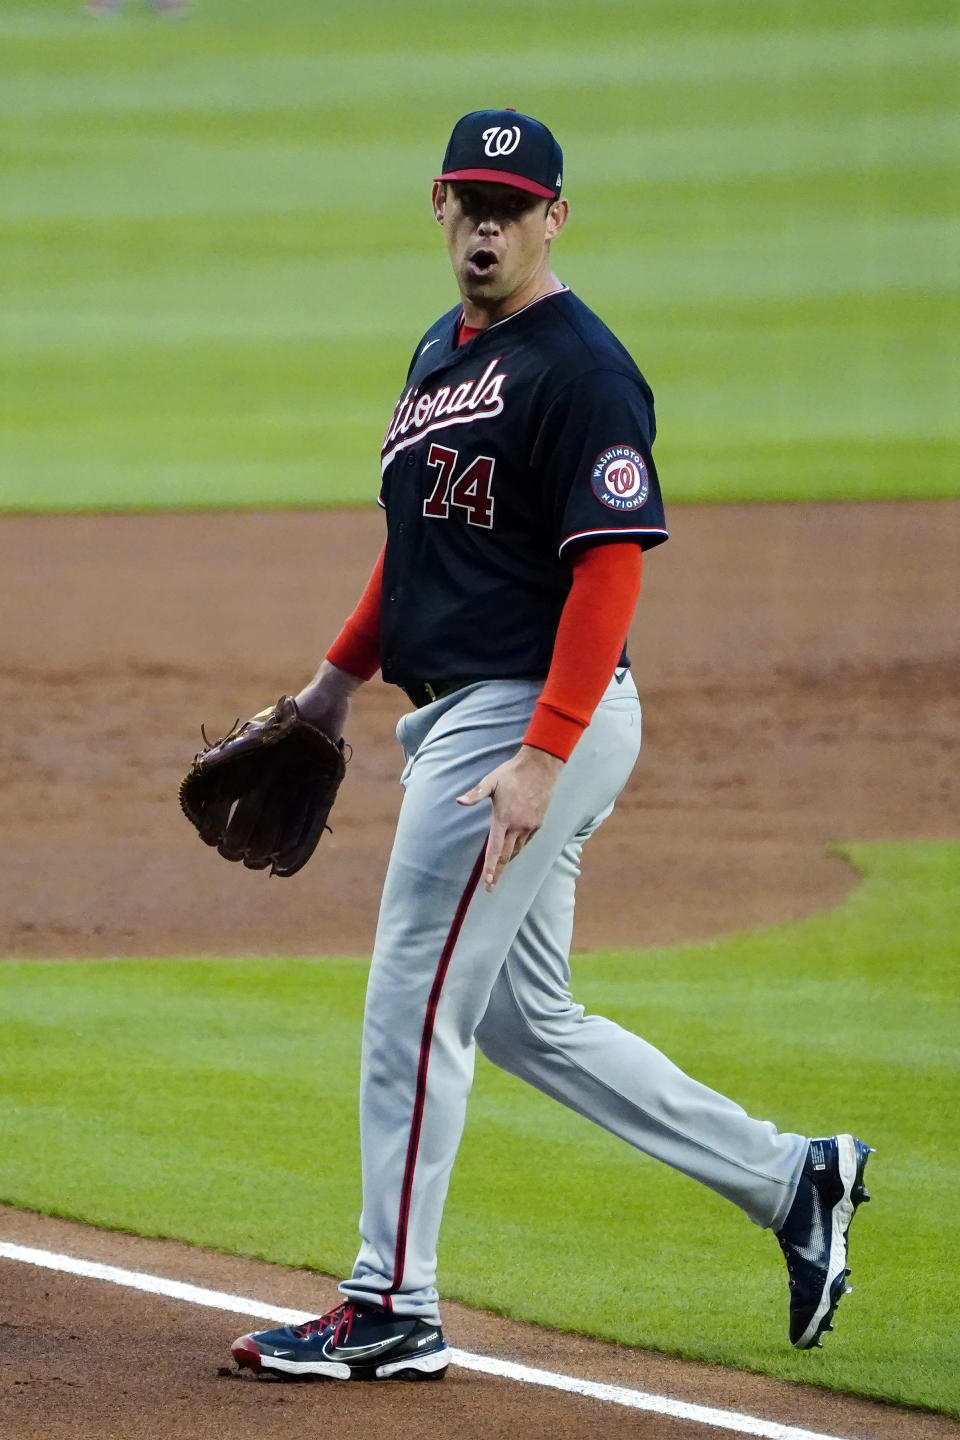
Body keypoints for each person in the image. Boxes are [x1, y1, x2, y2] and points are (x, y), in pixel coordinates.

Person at [230, 110, 872, 1382]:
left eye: (512, 207)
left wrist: (541, 753)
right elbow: (418, 550)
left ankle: (391, 1302)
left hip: (527, 717)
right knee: (522, 1013)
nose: (487, 224)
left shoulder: (584, 370)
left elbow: (609, 570)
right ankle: (791, 1177)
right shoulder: (439, 351)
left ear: (554, 218)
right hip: (473, 713)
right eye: (469, 200)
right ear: (437, 203)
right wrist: (327, 688)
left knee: (412, 1003)